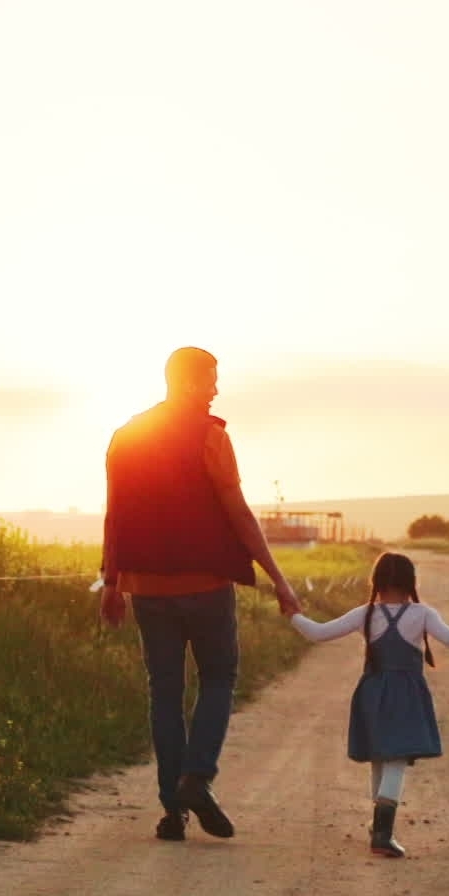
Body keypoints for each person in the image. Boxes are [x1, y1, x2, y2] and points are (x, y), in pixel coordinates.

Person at [100, 347, 303, 841]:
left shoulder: (125, 437)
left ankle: (174, 812)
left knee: (164, 695)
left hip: (146, 587)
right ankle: (197, 777)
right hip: (206, 585)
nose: (215, 389)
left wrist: (111, 582)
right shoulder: (210, 436)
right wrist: (277, 577)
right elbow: (237, 511)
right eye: (210, 380)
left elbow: (115, 514)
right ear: (188, 383)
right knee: (219, 677)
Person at [280, 552, 449, 858]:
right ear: (411, 583)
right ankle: (382, 832)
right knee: (396, 758)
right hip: (406, 692)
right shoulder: (421, 614)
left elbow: (318, 633)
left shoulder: (365, 614)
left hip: (371, 691)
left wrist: (292, 615)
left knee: (380, 756)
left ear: (376, 582)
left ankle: (378, 825)